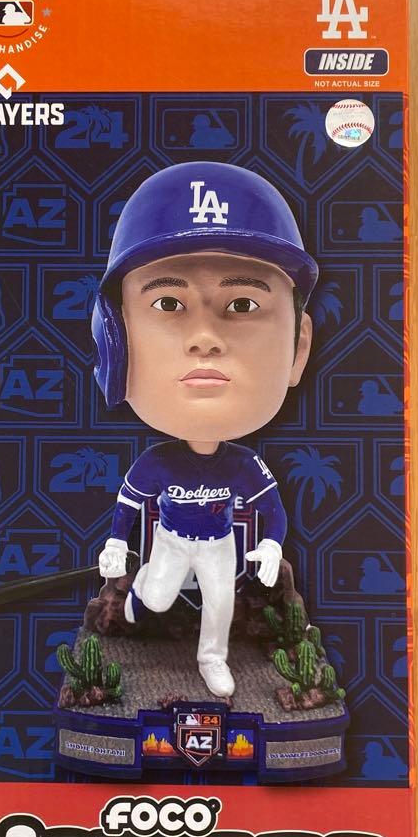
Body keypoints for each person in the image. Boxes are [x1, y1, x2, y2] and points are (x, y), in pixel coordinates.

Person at [91, 162, 317, 698]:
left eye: (242, 304)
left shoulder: (244, 465)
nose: (205, 338)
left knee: (220, 603)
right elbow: (129, 506)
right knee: (157, 598)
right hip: (171, 543)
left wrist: (270, 545)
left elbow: (272, 510)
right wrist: (116, 543)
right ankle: (139, 597)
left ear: (298, 347)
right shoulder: (156, 464)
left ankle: (212, 660)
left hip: (218, 546)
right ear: (114, 340)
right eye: (169, 303)